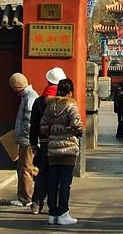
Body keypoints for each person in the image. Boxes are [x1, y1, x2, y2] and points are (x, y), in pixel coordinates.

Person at [39, 78, 84, 226]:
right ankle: (63, 213)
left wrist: (53, 132)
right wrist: (76, 131)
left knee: (53, 182)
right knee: (65, 183)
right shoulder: (71, 106)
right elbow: (77, 126)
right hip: (69, 149)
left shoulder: (49, 106)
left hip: (53, 148)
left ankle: (52, 214)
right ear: (70, 93)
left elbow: (43, 127)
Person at [28, 67, 67, 215]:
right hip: (60, 142)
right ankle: (54, 205)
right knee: (57, 173)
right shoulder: (65, 102)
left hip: (44, 142)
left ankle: (37, 203)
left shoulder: (39, 101)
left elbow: (34, 124)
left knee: (42, 173)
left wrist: (33, 143)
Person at [9, 72, 38, 207]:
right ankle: (26, 195)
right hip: (25, 139)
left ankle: (25, 198)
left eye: (13, 87)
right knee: (26, 167)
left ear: (17, 85)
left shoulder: (29, 98)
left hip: (26, 140)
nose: (13, 90)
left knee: (25, 168)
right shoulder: (27, 97)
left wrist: (25, 135)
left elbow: (29, 121)